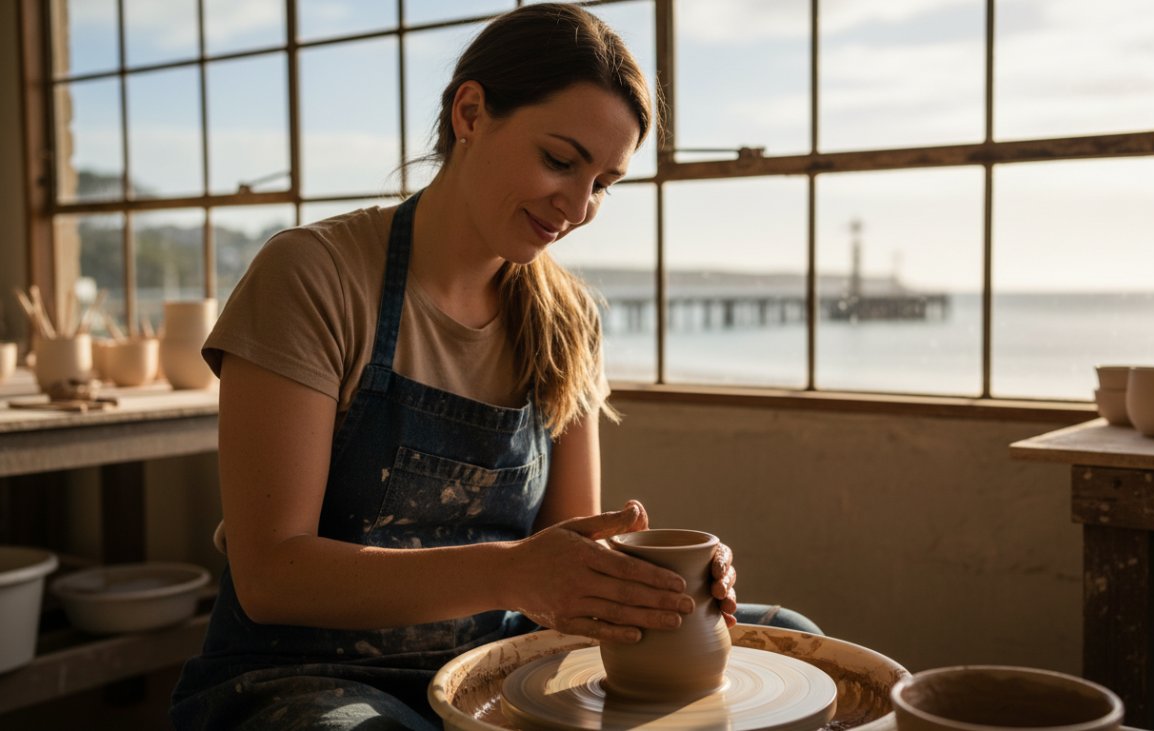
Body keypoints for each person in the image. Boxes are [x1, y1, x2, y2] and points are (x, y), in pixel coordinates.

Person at [170, 5, 820, 729]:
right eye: (560, 161)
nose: (575, 207)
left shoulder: (567, 318)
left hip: (497, 658)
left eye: (603, 182)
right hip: (304, 675)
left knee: (795, 634)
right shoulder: (312, 275)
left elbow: (572, 554)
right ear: (471, 113)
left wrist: (679, 581)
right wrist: (510, 571)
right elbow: (270, 576)